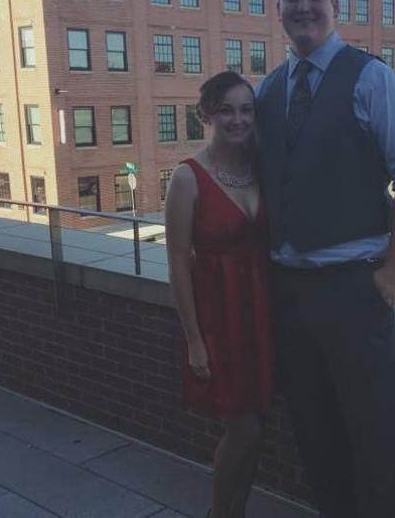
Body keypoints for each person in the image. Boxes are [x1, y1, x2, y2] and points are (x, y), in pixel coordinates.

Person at [255, 0, 395, 518]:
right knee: (314, 436)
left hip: (356, 291)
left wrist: (393, 275)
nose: (303, 6)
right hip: (290, 293)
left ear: (335, 5)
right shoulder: (269, 90)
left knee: (374, 439)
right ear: (278, 8)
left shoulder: (371, 77)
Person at [165, 72, 273, 518]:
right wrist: (194, 340)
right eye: (226, 110)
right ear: (205, 115)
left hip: (261, 314)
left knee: (259, 426)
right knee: (244, 428)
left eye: (246, 109)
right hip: (218, 319)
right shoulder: (187, 177)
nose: (238, 119)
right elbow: (177, 264)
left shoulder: (262, 168)